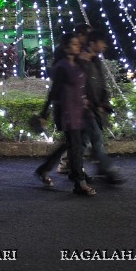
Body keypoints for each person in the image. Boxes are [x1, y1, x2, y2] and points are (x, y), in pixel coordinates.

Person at [34, 32, 96, 196]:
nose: (78, 46)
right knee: (74, 147)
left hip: (80, 111)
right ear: (66, 47)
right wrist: (43, 113)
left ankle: (44, 169)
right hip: (67, 112)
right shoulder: (61, 66)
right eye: (75, 44)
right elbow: (53, 92)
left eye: (78, 44)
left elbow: (82, 87)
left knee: (70, 145)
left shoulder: (77, 64)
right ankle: (79, 183)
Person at [78, 30, 125, 184]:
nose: (104, 45)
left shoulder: (95, 60)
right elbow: (83, 85)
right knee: (96, 139)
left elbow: (101, 84)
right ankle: (107, 169)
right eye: (101, 42)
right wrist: (91, 104)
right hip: (87, 108)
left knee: (83, 141)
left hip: (95, 107)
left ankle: (80, 170)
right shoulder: (82, 60)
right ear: (92, 43)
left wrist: (104, 103)